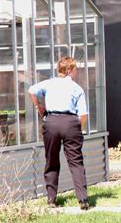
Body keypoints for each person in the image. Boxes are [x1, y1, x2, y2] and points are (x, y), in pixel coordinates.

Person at [28, 57, 90, 210]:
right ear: (69, 70)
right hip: (71, 123)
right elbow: (83, 115)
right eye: (75, 69)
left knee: (51, 160)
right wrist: (77, 129)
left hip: (52, 123)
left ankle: (51, 199)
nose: (76, 71)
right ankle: (82, 199)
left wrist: (38, 107)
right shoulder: (77, 88)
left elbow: (31, 90)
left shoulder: (49, 83)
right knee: (76, 161)